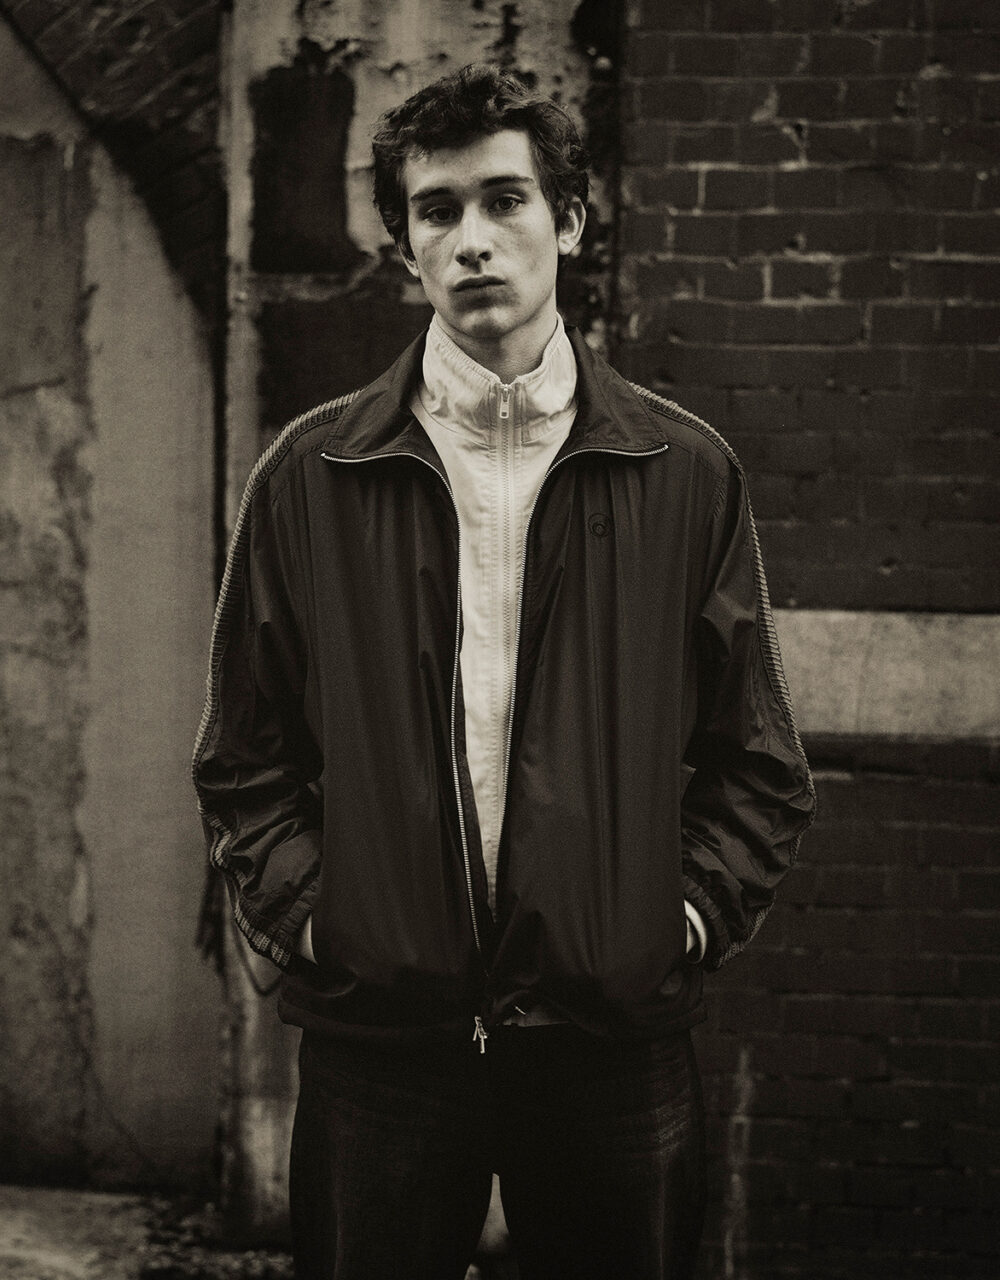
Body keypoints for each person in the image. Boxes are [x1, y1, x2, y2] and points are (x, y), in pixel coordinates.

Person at [193, 63, 815, 1280]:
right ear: (406, 246)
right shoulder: (312, 473)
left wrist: (671, 921)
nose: (471, 239)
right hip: (383, 1044)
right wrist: (324, 920)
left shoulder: (683, 471)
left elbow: (759, 761)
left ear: (568, 220)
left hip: (611, 1043)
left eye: (505, 200)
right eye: (437, 211)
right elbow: (242, 756)